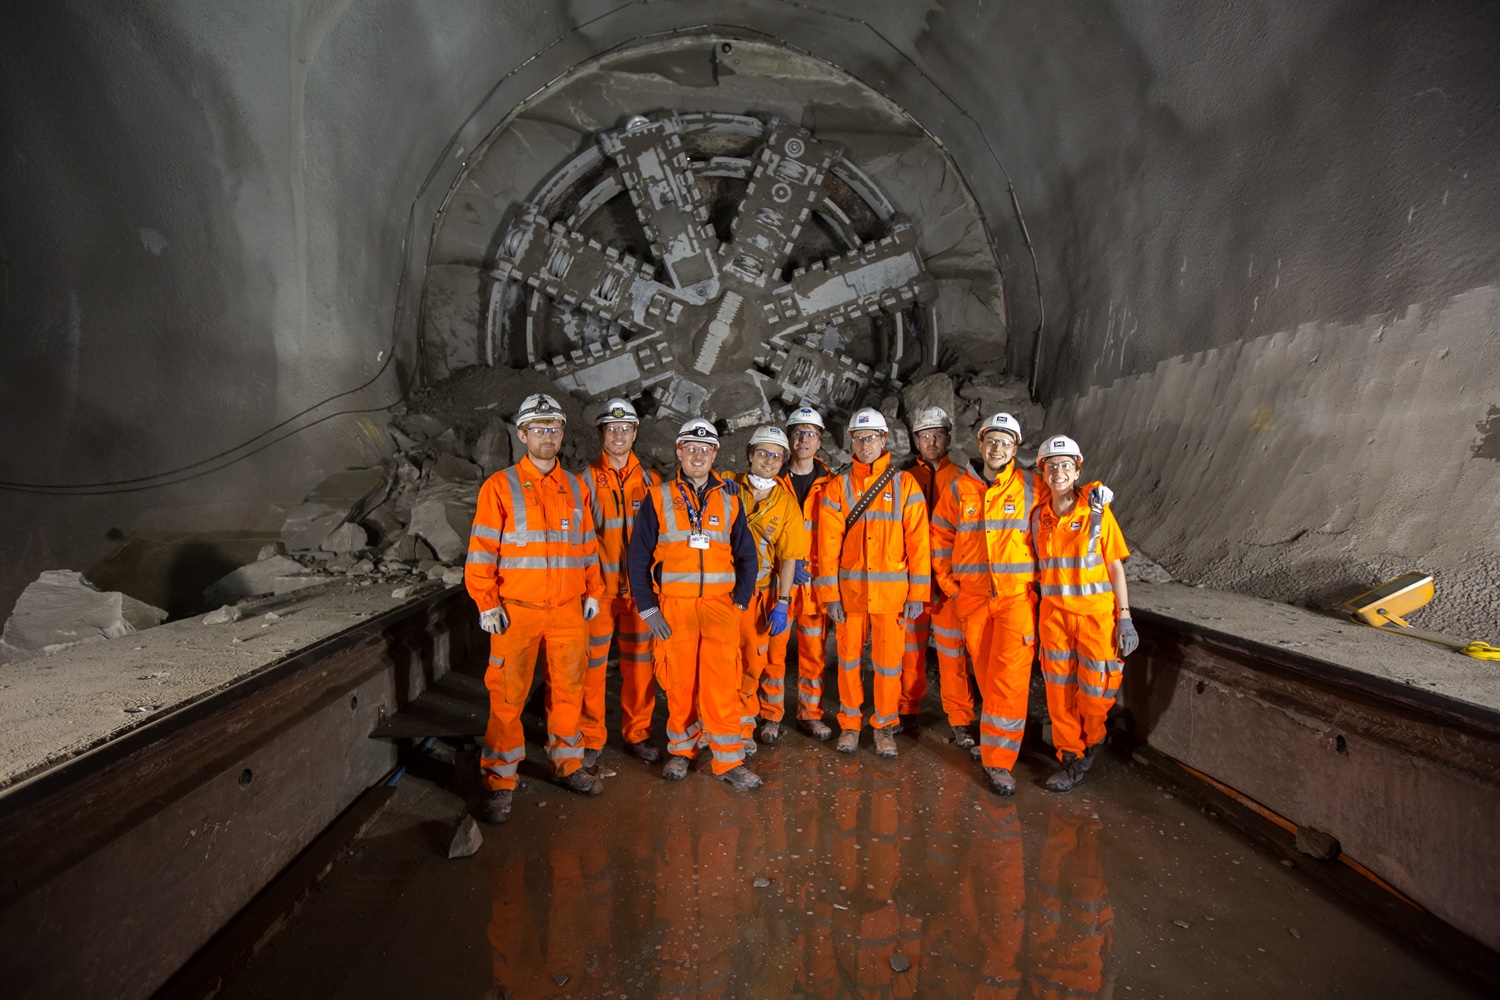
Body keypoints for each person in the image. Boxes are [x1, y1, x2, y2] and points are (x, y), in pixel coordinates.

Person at [465, 392, 605, 824]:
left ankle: (568, 764)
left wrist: (594, 591)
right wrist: (486, 602)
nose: (548, 436)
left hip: (567, 609)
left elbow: (587, 547)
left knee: (569, 692)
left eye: (555, 428)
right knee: (507, 698)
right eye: (539, 429)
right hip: (517, 611)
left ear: (563, 433)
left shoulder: (574, 485)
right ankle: (500, 781)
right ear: (522, 434)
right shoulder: (500, 486)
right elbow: (482, 549)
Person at [625, 418, 762, 790]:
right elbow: (637, 557)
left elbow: (748, 557)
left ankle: (728, 760)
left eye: (705, 449)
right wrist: (649, 608)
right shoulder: (658, 498)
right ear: (679, 452)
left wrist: (739, 604)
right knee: (679, 682)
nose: (698, 455)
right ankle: (681, 751)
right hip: (675, 608)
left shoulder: (731, 497)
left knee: (722, 685)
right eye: (690, 448)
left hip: (720, 607)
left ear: (715, 453)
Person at [930, 412, 1041, 796]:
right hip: (973, 601)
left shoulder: (1032, 485)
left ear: (1016, 447)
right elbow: (940, 537)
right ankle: (996, 745)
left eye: (1006, 442)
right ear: (980, 445)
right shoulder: (960, 489)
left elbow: (1064, 504)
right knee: (987, 678)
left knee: (1008, 680)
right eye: (991, 441)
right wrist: (952, 588)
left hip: (1015, 600)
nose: (998, 448)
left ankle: (998, 762)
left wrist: (1095, 494)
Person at [815, 408, 931, 759]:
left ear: (884, 440)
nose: (865, 444)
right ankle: (850, 725)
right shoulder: (839, 486)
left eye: (871, 438)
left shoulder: (904, 484)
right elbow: (827, 545)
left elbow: (919, 542)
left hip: (891, 595)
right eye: (859, 438)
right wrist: (829, 594)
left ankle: (884, 727)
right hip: (849, 595)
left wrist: (918, 592)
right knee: (848, 662)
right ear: (851, 440)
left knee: (887, 664)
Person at [1032, 434, 1136, 793]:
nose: (1058, 471)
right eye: (1051, 466)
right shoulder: (1037, 518)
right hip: (1054, 619)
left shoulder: (1097, 511)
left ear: (1077, 470)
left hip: (1095, 618)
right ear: (1042, 472)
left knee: (1095, 695)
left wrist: (1125, 616)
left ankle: (1091, 740)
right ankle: (1071, 758)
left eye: (1065, 465)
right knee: (1059, 694)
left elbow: (1115, 567)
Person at [580, 398, 662, 766]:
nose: (618, 435)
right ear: (601, 433)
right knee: (592, 670)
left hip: (639, 595)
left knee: (640, 668)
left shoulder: (651, 481)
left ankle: (637, 734)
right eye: (611, 429)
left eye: (625, 428)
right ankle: (591, 739)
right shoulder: (582, 481)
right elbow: (577, 543)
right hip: (598, 594)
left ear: (635, 433)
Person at [899, 405, 975, 745]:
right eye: (925, 436)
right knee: (909, 652)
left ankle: (960, 721)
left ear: (948, 439)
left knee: (952, 653)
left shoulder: (963, 479)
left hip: (949, 584)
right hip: (911, 582)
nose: (931, 441)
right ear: (916, 440)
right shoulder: (903, 478)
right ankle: (906, 712)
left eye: (938, 435)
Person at [728, 426, 806, 757]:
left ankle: (743, 728)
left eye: (777, 456)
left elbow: (790, 557)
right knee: (716, 661)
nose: (770, 461)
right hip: (718, 593)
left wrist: (783, 601)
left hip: (756, 594)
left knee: (749, 662)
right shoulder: (726, 484)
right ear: (750, 455)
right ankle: (711, 724)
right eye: (763, 453)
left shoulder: (786, 504)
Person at [766, 406, 837, 742]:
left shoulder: (833, 485)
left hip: (815, 584)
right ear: (789, 439)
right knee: (773, 653)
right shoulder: (772, 482)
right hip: (780, 582)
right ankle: (770, 716)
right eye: (797, 432)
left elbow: (839, 537)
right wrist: (785, 568)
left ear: (819, 441)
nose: (803, 439)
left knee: (813, 654)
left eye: (810, 433)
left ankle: (810, 714)